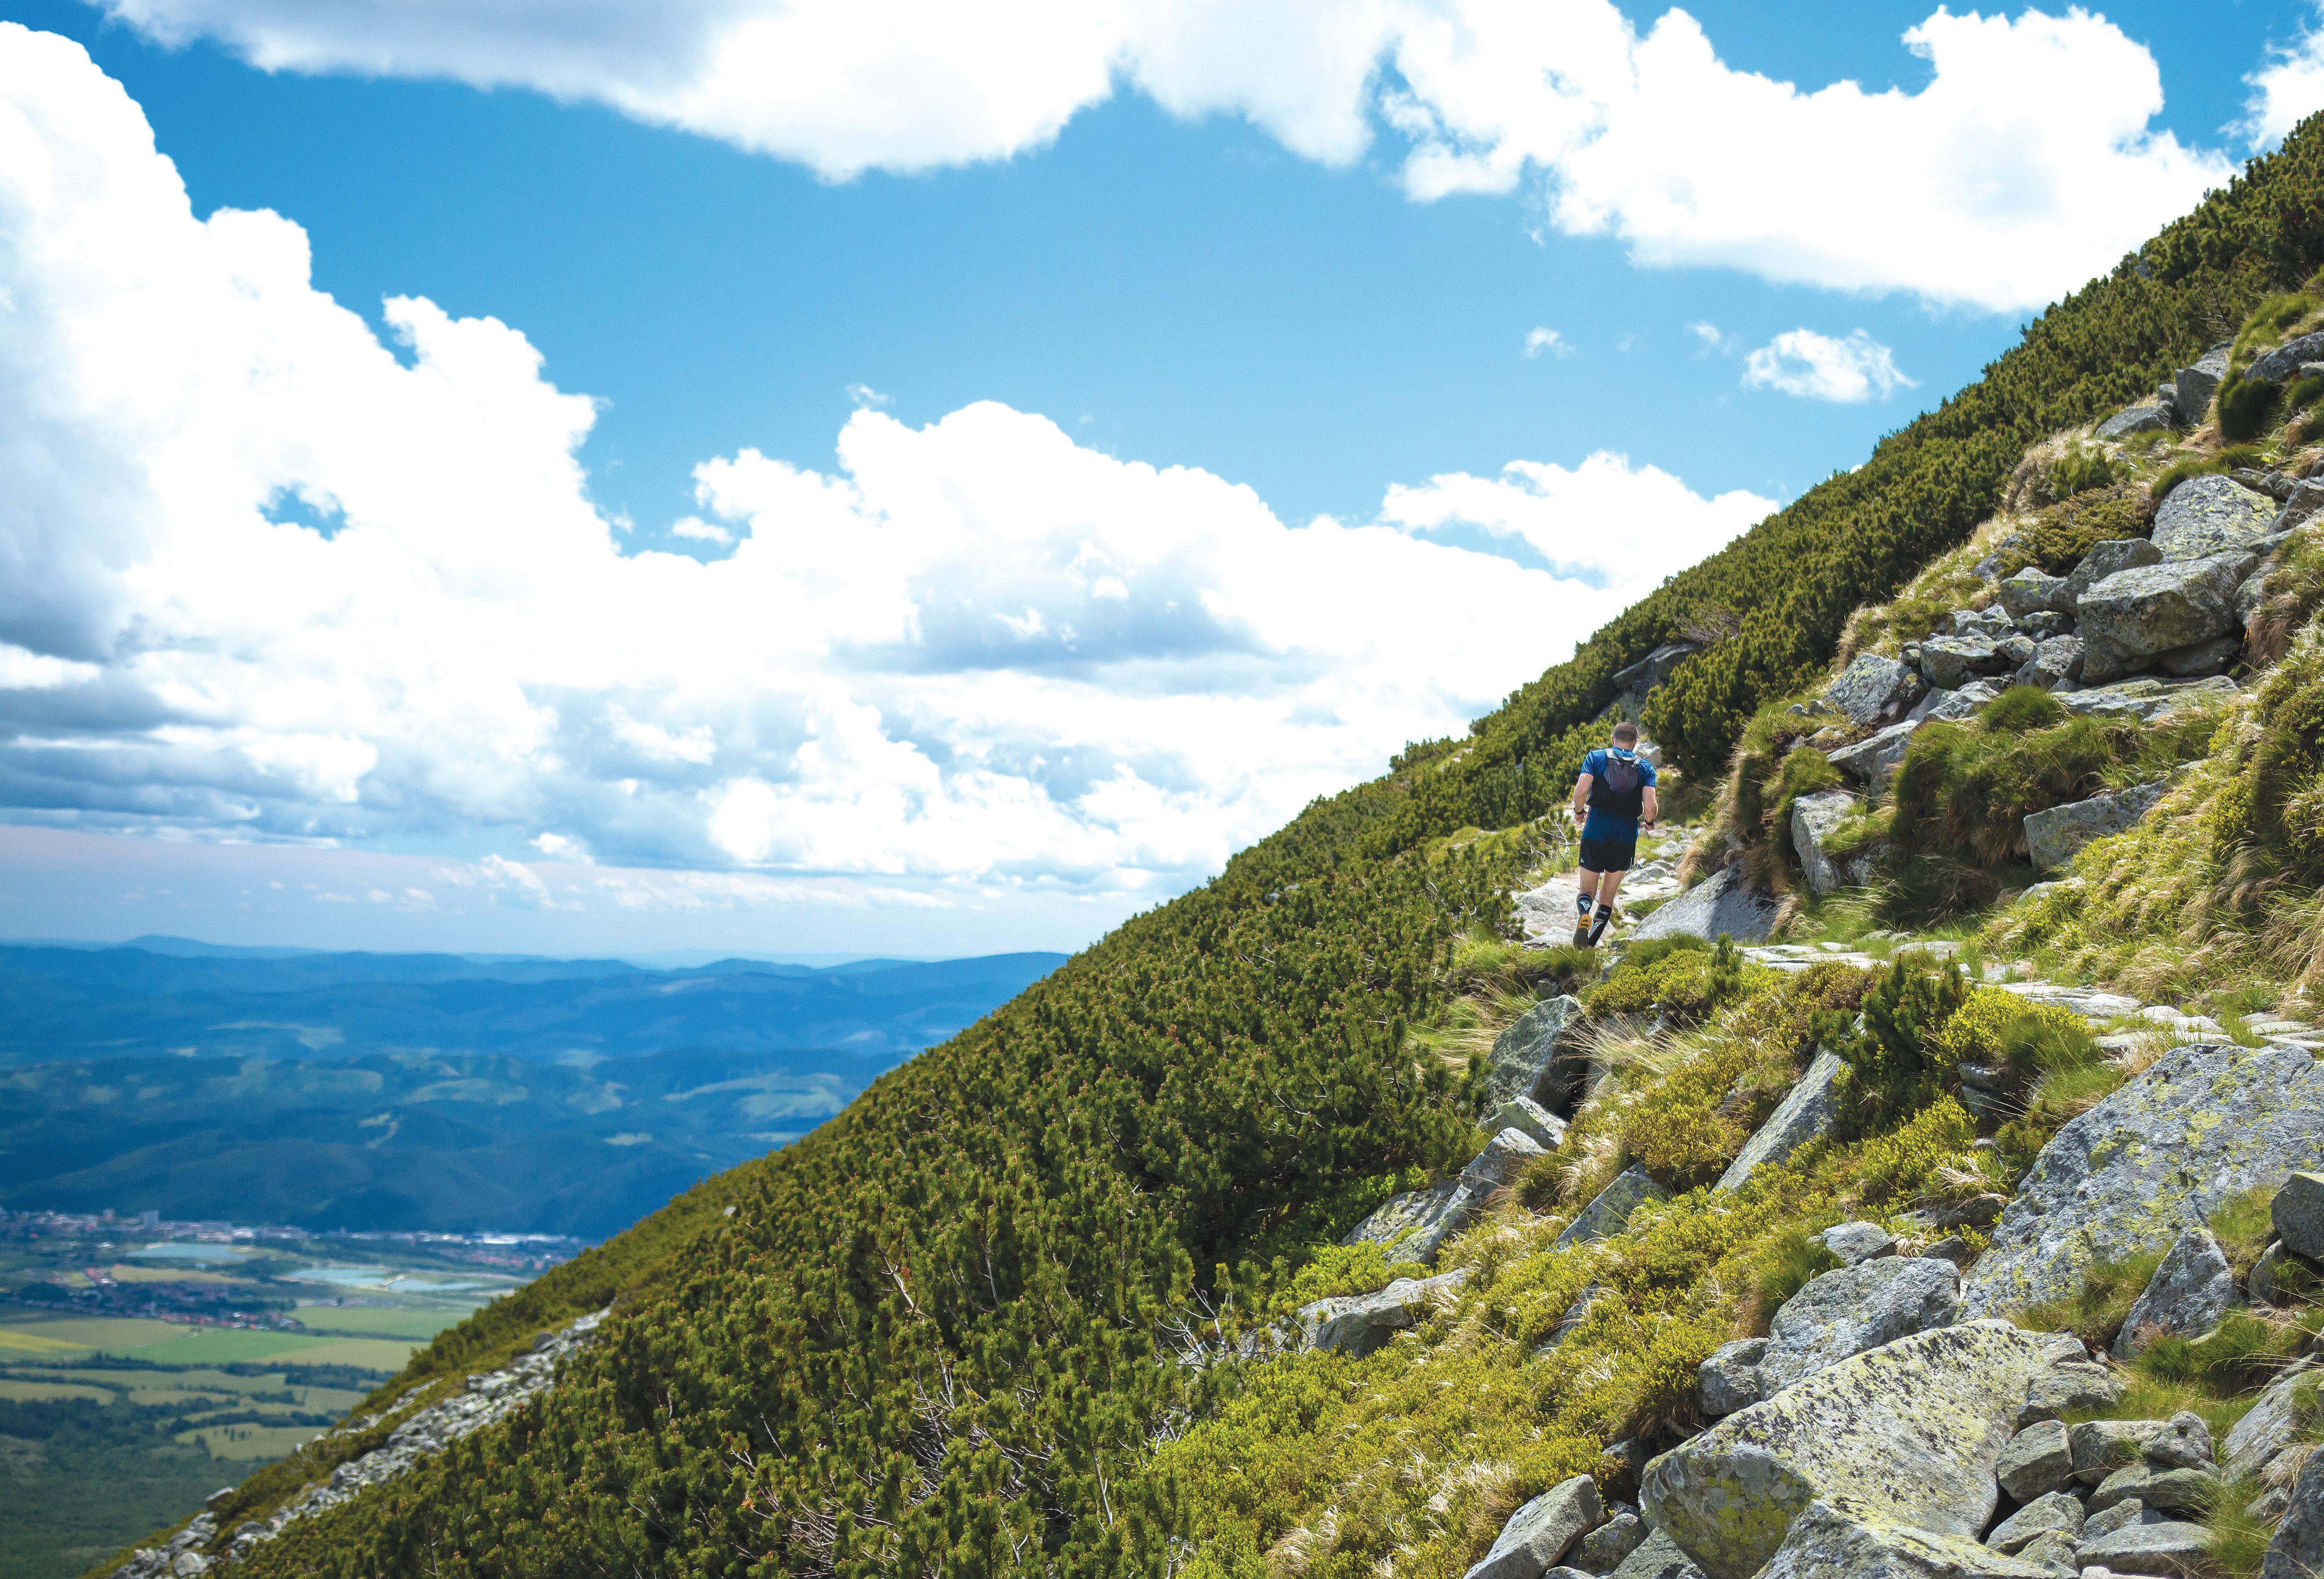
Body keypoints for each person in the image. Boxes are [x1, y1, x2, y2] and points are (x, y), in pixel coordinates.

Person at [1570, 722, 1658, 948]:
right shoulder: (1646, 768)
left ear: (1613, 739)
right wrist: (1649, 822)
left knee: (1587, 891)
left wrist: (1579, 811)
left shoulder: (1595, 757)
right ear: (1636, 743)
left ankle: (1584, 914)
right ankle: (1589, 946)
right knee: (1607, 898)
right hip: (1625, 837)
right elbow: (1651, 806)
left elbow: (1581, 791)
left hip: (1596, 830)